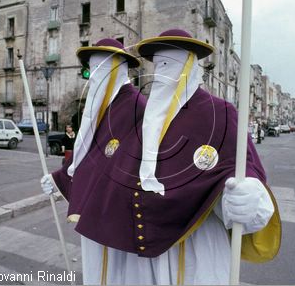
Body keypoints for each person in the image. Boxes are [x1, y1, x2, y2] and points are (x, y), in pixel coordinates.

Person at [60, 29, 281, 285]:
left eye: (169, 64)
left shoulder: (220, 114)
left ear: (191, 65)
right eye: (158, 65)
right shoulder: (147, 119)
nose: (162, 72)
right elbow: (114, 169)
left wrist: (248, 197)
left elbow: (244, 170)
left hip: (196, 243)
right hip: (143, 255)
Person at [40, 38, 147, 279]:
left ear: (118, 69)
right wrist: (59, 178)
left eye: (101, 68)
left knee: (119, 275)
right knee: (96, 272)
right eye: (91, 69)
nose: (94, 76)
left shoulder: (137, 107)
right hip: (95, 210)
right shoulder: (101, 106)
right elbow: (86, 151)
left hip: (119, 213)